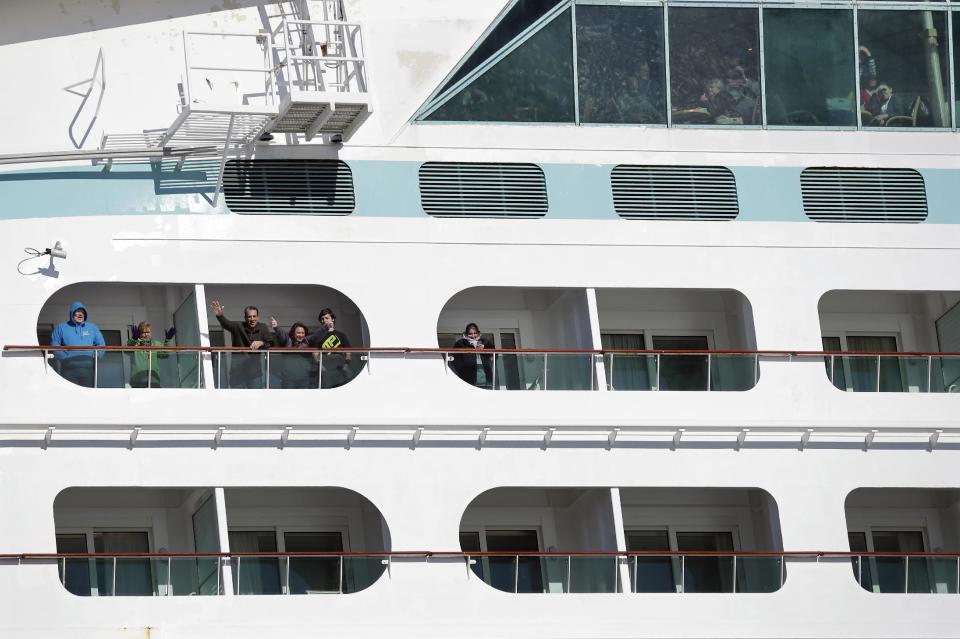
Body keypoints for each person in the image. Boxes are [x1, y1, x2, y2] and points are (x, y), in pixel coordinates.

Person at [210, 300, 273, 388]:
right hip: (237, 373)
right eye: (249, 317)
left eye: (254, 316)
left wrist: (261, 342)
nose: (252, 319)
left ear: (258, 317)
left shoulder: (263, 327)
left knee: (255, 400)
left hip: (255, 374)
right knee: (237, 400)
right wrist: (220, 315)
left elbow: (270, 343)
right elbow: (226, 324)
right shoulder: (238, 326)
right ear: (245, 318)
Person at [50, 301, 106, 388]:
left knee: (87, 397)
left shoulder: (92, 327)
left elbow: (101, 344)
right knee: (70, 397)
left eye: (82, 312)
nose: (80, 314)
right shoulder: (61, 327)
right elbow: (54, 344)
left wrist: (96, 355)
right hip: (68, 370)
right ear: (72, 313)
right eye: (77, 311)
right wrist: (65, 357)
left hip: (88, 370)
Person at [307, 308, 353, 388]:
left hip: (340, 369)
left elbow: (348, 351)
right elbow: (315, 352)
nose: (324, 320)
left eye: (326, 318)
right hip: (325, 370)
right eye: (322, 319)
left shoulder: (341, 335)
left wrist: (347, 364)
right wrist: (320, 365)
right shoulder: (318, 336)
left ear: (333, 319)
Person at [270, 319, 318, 389]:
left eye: (303, 333)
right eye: (298, 333)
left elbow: (317, 335)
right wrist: (276, 327)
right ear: (293, 333)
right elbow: (282, 335)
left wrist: (325, 328)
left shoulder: (307, 341)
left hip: (304, 380)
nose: (301, 335)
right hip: (288, 380)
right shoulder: (287, 341)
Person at [126, 321, 176, 388]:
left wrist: (168, 340)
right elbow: (126, 350)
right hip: (137, 381)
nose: (146, 334)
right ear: (139, 333)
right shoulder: (134, 344)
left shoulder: (155, 344)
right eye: (144, 332)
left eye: (148, 332)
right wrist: (134, 339)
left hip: (153, 380)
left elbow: (165, 355)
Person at [450, 323, 494, 389]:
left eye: (475, 333)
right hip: (467, 378)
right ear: (466, 334)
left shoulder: (485, 341)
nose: (473, 336)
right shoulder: (461, 343)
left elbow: (494, 355)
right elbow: (453, 358)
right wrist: (461, 369)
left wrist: (485, 348)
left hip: (485, 377)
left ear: (478, 333)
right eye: (470, 334)